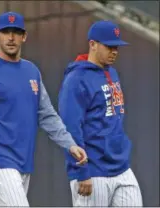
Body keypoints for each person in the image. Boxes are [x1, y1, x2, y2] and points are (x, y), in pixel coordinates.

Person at [0, 11, 88, 207]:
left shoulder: (32, 71)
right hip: (0, 162)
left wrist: (70, 144)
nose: (11, 37)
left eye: (16, 32)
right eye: (6, 32)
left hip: (24, 161)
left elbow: (47, 114)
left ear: (24, 36)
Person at [58, 20, 143, 207]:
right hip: (93, 171)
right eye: (109, 46)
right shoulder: (76, 79)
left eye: (117, 47)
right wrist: (81, 172)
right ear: (93, 45)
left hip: (121, 168)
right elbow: (70, 128)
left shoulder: (112, 72)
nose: (114, 51)